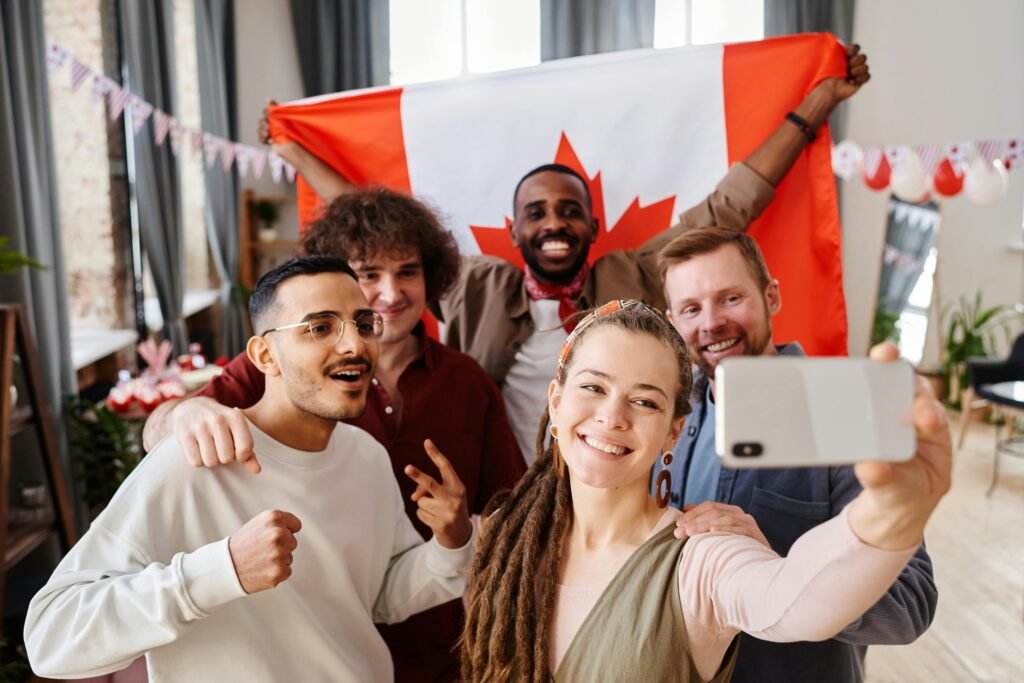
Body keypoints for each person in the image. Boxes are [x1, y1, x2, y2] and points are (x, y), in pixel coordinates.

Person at [261, 46, 871, 459]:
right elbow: (380, 234)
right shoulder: (480, 285)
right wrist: (296, 155)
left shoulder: (631, 274)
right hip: (506, 492)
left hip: (619, 481)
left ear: (593, 225)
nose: (554, 222)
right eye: (537, 213)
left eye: (570, 210)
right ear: (516, 229)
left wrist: (816, 105)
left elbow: (728, 208)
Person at [25, 257, 475, 682]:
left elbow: (377, 598)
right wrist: (223, 571)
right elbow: (51, 635)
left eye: (362, 324)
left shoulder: (367, 456)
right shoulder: (196, 458)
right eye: (320, 327)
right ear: (264, 356)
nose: (354, 344)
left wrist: (451, 544)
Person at [141, 191, 526, 682]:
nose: (390, 293)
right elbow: (160, 433)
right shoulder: (278, 364)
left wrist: (464, 539)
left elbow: (508, 507)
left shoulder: (467, 380)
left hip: (438, 644)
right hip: (301, 643)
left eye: (407, 271)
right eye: (368, 274)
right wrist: (186, 412)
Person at [460, 299, 951, 682]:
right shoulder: (507, 537)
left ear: (674, 431)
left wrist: (890, 512)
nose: (613, 416)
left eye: (645, 401)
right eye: (593, 387)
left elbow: (795, 602)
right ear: (556, 397)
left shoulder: (701, 557)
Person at [653, 227, 937, 682]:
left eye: (730, 298)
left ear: (772, 296)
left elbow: (911, 603)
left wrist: (781, 572)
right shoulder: (663, 417)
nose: (710, 324)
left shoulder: (846, 415)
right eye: (691, 309)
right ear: (673, 320)